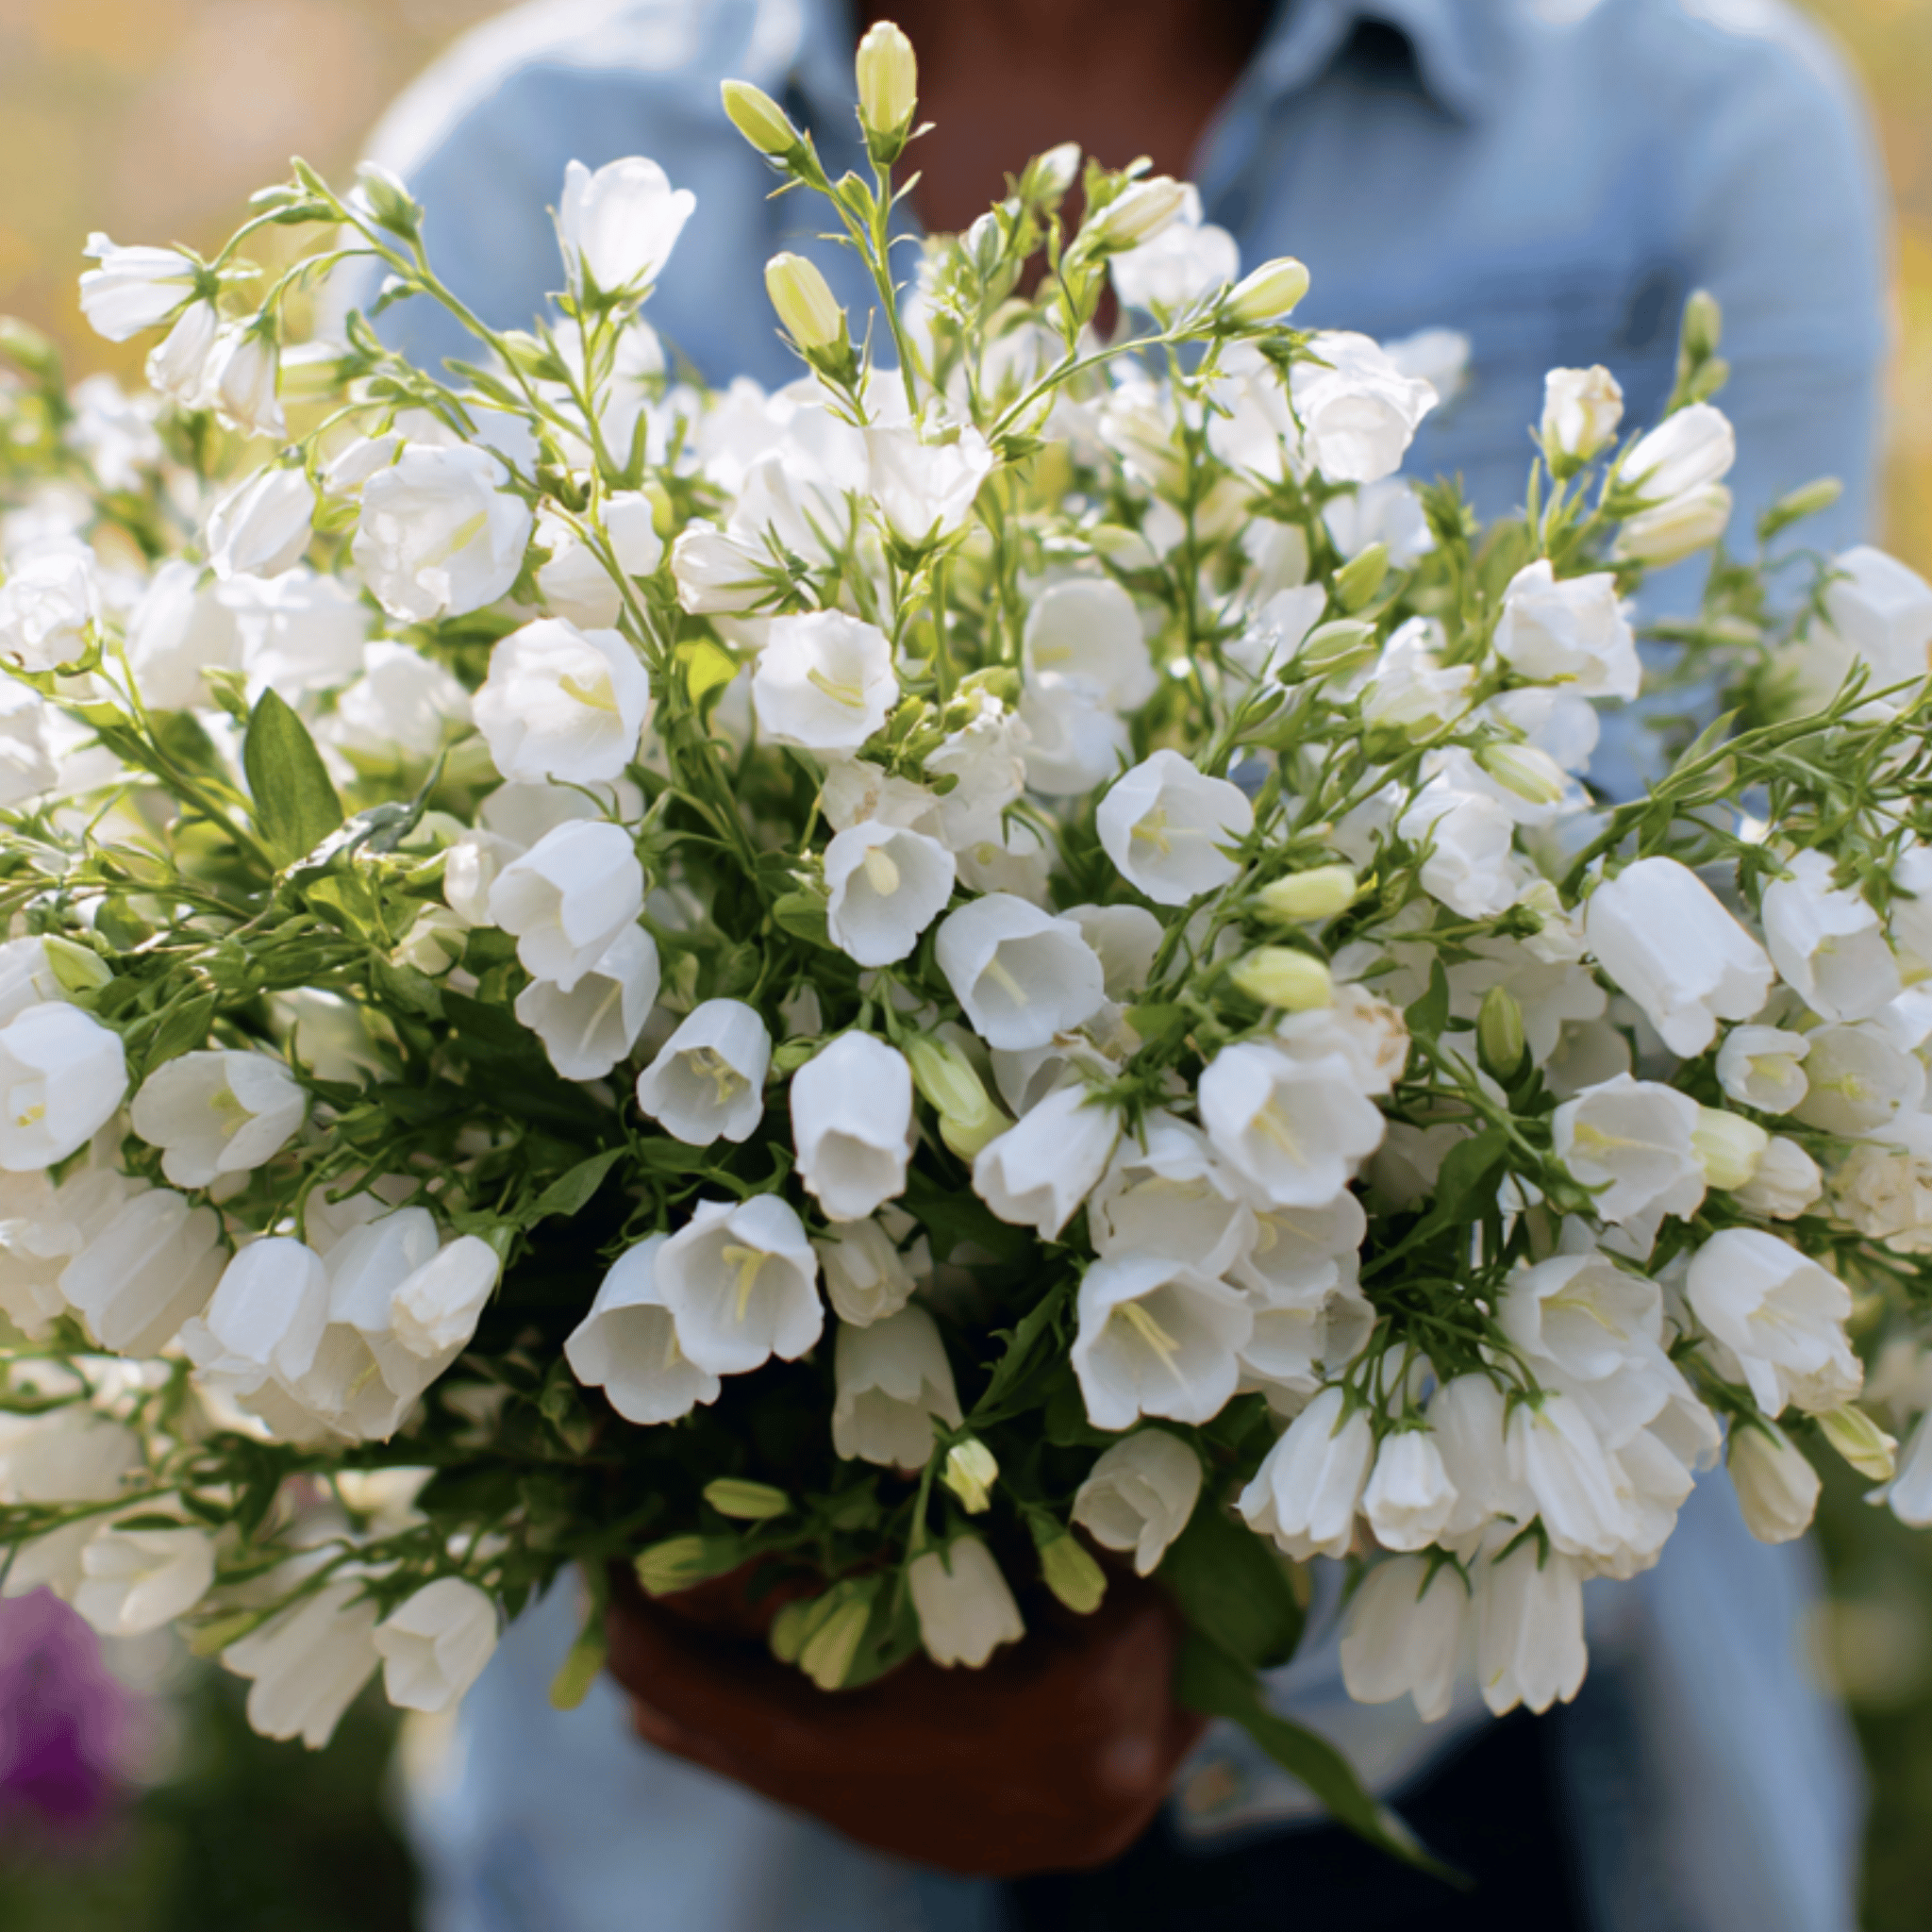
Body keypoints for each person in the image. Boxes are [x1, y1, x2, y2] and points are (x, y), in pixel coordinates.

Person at [356, 2, 1890, 1926]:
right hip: (723, 1807)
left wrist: (1218, 1652)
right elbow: (417, 922)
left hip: (1481, 1764)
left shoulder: (1689, 117)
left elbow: (1701, 954)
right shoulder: (526, 154)